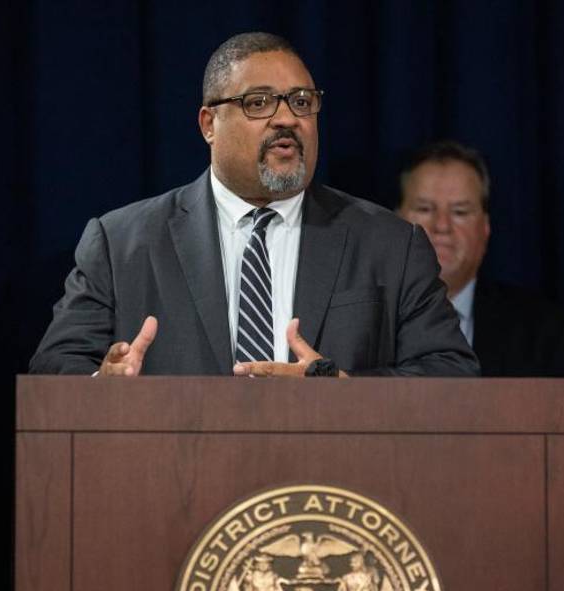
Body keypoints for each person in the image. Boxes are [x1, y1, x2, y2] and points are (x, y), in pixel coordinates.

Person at [30, 33, 478, 378]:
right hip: (175, 483)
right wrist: (102, 386)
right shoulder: (122, 242)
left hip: (329, 488)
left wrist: (345, 392)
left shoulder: (390, 244)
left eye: (302, 101)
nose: (287, 118)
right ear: (209, 124)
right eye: (258, 102)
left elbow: (453, 374)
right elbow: (54, 366)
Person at [397, 140, 564, 376]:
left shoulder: (542, 332)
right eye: (424, 209)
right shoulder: (358, 323)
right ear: (395, 223)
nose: (442, 226)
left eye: (460, 212)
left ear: (485, 228)